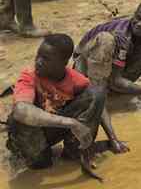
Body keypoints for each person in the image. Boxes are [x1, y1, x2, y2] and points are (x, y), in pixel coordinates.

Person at [6, 35, 105, 169]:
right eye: (38, 55)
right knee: (41, 165)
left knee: (96, 93)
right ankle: (31, 154)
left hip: (51, 129)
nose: (38, 61)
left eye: (45, 58)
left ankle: (76, 149)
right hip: (28, 134)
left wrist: (114, 138)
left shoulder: (75, 79)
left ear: (63, 62)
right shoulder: (30, 75)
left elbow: (98, 104)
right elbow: (21, 111)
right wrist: (72, 123)